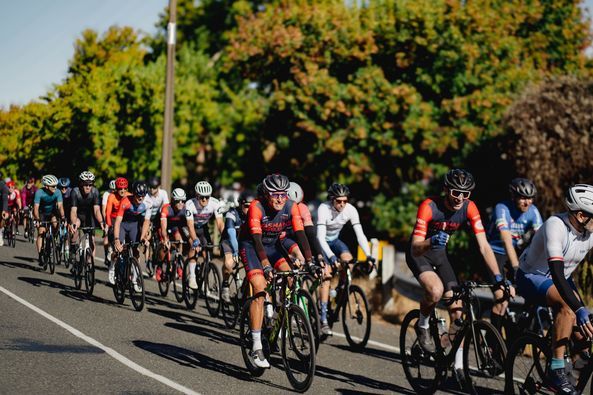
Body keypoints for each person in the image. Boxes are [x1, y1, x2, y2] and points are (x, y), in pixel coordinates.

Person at [406, 169, 511, 383]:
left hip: (440, 256)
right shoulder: (429, 206)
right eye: (455, 192)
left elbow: (484, 247)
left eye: (466, 194)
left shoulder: (470, 208)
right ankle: (423, 324)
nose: (460, 198)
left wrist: (498, 277)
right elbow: (415, 247)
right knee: (435, 291)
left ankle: (459, 365)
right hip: (420, 254)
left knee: (458, 311)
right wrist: (431, 242)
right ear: (445, 190)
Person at [516, 184, 593, 394]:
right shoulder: (555, 225)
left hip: (562, 279)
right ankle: (556, 371)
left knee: (585, 336)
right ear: (580, 215)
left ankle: (575, 364)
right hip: (532, 276)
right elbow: (557, 273)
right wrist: (577, 307)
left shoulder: (589, 230)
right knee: (568, 308)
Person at [239, 174, 314, 368]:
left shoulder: (291, 206)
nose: (280, 199)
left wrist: (310, 261)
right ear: (266, 195)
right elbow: (256, 240)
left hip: (273, 246)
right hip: (252, 247)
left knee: (290, 277)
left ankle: (279, 317)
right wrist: (264, 265)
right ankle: (256, 346)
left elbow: (300, 233)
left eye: (283, 194)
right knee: (260, 288)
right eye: (275, 195)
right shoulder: (257, 207)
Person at [316, 183, 376, 336]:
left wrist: (368, 255)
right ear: (332, 200)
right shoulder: (324, 209)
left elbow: (360, 234)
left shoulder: (350, 210)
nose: (342, 204)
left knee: (348, 261)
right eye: (338, 201)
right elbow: (320, 238)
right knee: (327, 275)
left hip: (335, 241)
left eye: (345, 200)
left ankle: (340, 290)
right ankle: (323, 318)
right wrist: (330, 257)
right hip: (321, 242)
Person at [486, 177, 543, 336]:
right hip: (496, 252)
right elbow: (506, 240)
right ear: (513, 197)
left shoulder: (533, 211)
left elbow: (542, 239)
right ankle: (493, 345)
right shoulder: (502, 208)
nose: (527, 202)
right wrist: (516, 268)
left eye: (530, 198)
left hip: (517, 253)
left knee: (533, 291)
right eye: (523, 198)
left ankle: (519, 332)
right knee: (501, 298)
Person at [184, 180, 224, 290]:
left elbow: (220, 223)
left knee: (207, 252)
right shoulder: (190, 204)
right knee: (194, 245)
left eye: (207, 197)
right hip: (189, 227)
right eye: (202, 197)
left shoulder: (215, 203)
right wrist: (194, 239)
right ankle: (192, 276)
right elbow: (190, 225)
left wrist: (225, 237)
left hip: (203, 228)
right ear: (197, 196)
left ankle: (203, 276)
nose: (204, 199)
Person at [112, 182, 152, 290]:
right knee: (119, 249)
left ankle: (134, 278)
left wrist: (143, 236)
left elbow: (146, 222)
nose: (140, 198)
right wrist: (116, 240)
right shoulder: (125, 201)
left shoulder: (148, 202)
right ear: (133, 194)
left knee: (135, 251)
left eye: (143, 195)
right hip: (123, 225)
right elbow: (118, 222)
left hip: (134, 225)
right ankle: (113, 266)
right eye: (138, 195)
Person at [220, 190, 254, 302]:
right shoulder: (232, 213)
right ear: (240, 204)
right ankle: (225, 285)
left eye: (252, 206)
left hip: (244, 242)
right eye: (247, 206)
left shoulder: (254, 215)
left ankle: (242, 291)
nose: (249, 209)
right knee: (229, 264)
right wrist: (235, 251)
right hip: (229, 241)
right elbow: (231, 234)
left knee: (253, 268)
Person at [69, 171, 103, 258]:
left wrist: (101, 222)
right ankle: (72, 246)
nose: (88, 187)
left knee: (92, 240)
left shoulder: (95, 192)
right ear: (81, 184)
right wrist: (73, 224)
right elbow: (73, 210)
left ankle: (89, 263)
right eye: (85, 184)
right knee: (75, 229)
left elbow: (97, 210)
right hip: (78, 215)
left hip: (90, 216)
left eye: (90, 185)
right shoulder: (75, 192)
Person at [156, 188, 188, 282]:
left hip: (174, 227)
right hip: (163, 227)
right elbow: (163, 228)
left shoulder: (185, 208)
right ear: (173, 200)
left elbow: (187, 225)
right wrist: (165, 239)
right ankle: (160, 266)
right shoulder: (166, 208)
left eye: (183, 201)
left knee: (179, 240)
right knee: (165, 246)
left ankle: (178, 263)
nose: (181, 203)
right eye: (178, 201)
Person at [33, 175, 65, 263]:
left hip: (52, 213)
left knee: (56, 225)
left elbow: (60, 206)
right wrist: (37, 219)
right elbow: (36, 208)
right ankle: (40, 254)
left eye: (56, 185)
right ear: (46, 186)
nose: (55, 187)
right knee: (41, 232)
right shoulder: (39, 192)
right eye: (53, 186)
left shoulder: (58, 192)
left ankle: (52, 239)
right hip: (41, 213)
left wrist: (63, 217)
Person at [105, 177, 132, 280]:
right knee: (116, 249)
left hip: (124, 221)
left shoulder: (129, 196)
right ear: (116, 189)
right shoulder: (112, 197)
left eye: (125, 188)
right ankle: (112, 266)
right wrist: (109, 226)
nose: (123, 191)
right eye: (120, 189)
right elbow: (107, 213)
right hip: (113, 220)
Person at [101, 179, 116, 266]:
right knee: (106, 235)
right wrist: (106, 221)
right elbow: (104, 210)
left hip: (115, 216)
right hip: (107, 215)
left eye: (115, 190)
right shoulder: (106, 194)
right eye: (112, 190)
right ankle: (107, 253)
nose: (113, 191)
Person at [0, 175, 9, 246]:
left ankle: (0, 233)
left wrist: (4, 210)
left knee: (2, 220)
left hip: (1, 204)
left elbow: (5, 199)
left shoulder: (3, 186)